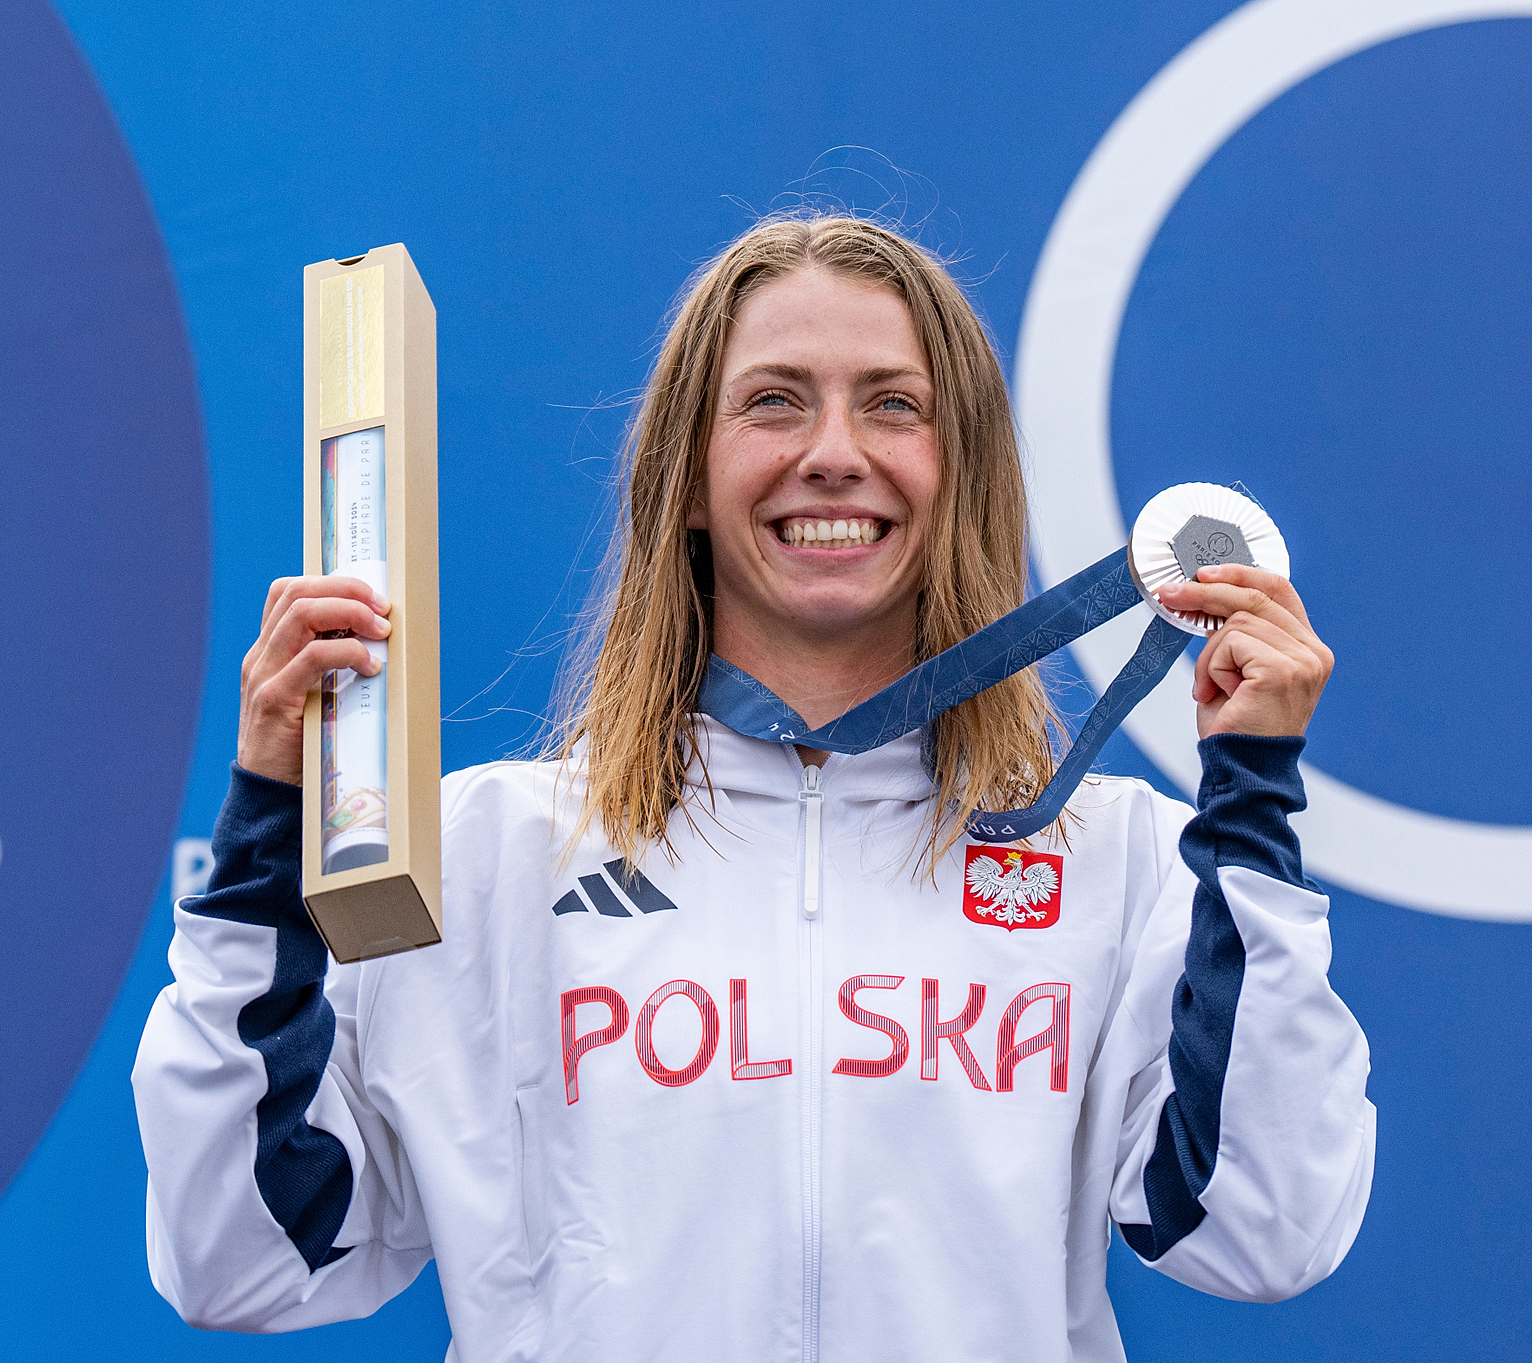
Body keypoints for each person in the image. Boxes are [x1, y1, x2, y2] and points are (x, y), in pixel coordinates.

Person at [134, 215, 1373, 1361]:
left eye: (893, 405)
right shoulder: (483, 854)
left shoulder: (1120, 857)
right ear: (683, 476)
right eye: (773, 403)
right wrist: (267, 833)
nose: (833, 455)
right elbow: (244, 1255)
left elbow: (1257, 1230)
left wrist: (1251, 805)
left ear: (965, 474)